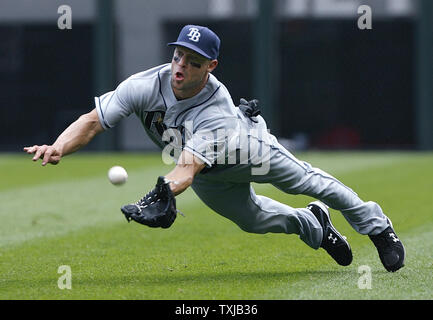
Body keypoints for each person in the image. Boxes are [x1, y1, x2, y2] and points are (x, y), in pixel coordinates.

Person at [24, 25, 405, 272]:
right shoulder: (145, 84)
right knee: (253, 220)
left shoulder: (216, 108)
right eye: (177, 56)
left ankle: (377, 225)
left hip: (247, 151)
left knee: (309, 182)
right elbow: (93, 120)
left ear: (211, 66)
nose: (180, 66)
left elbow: (186, 169)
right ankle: (315, 226)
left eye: (193, 62)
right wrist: (58, 146)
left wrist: (162, 191)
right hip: (206, 171)